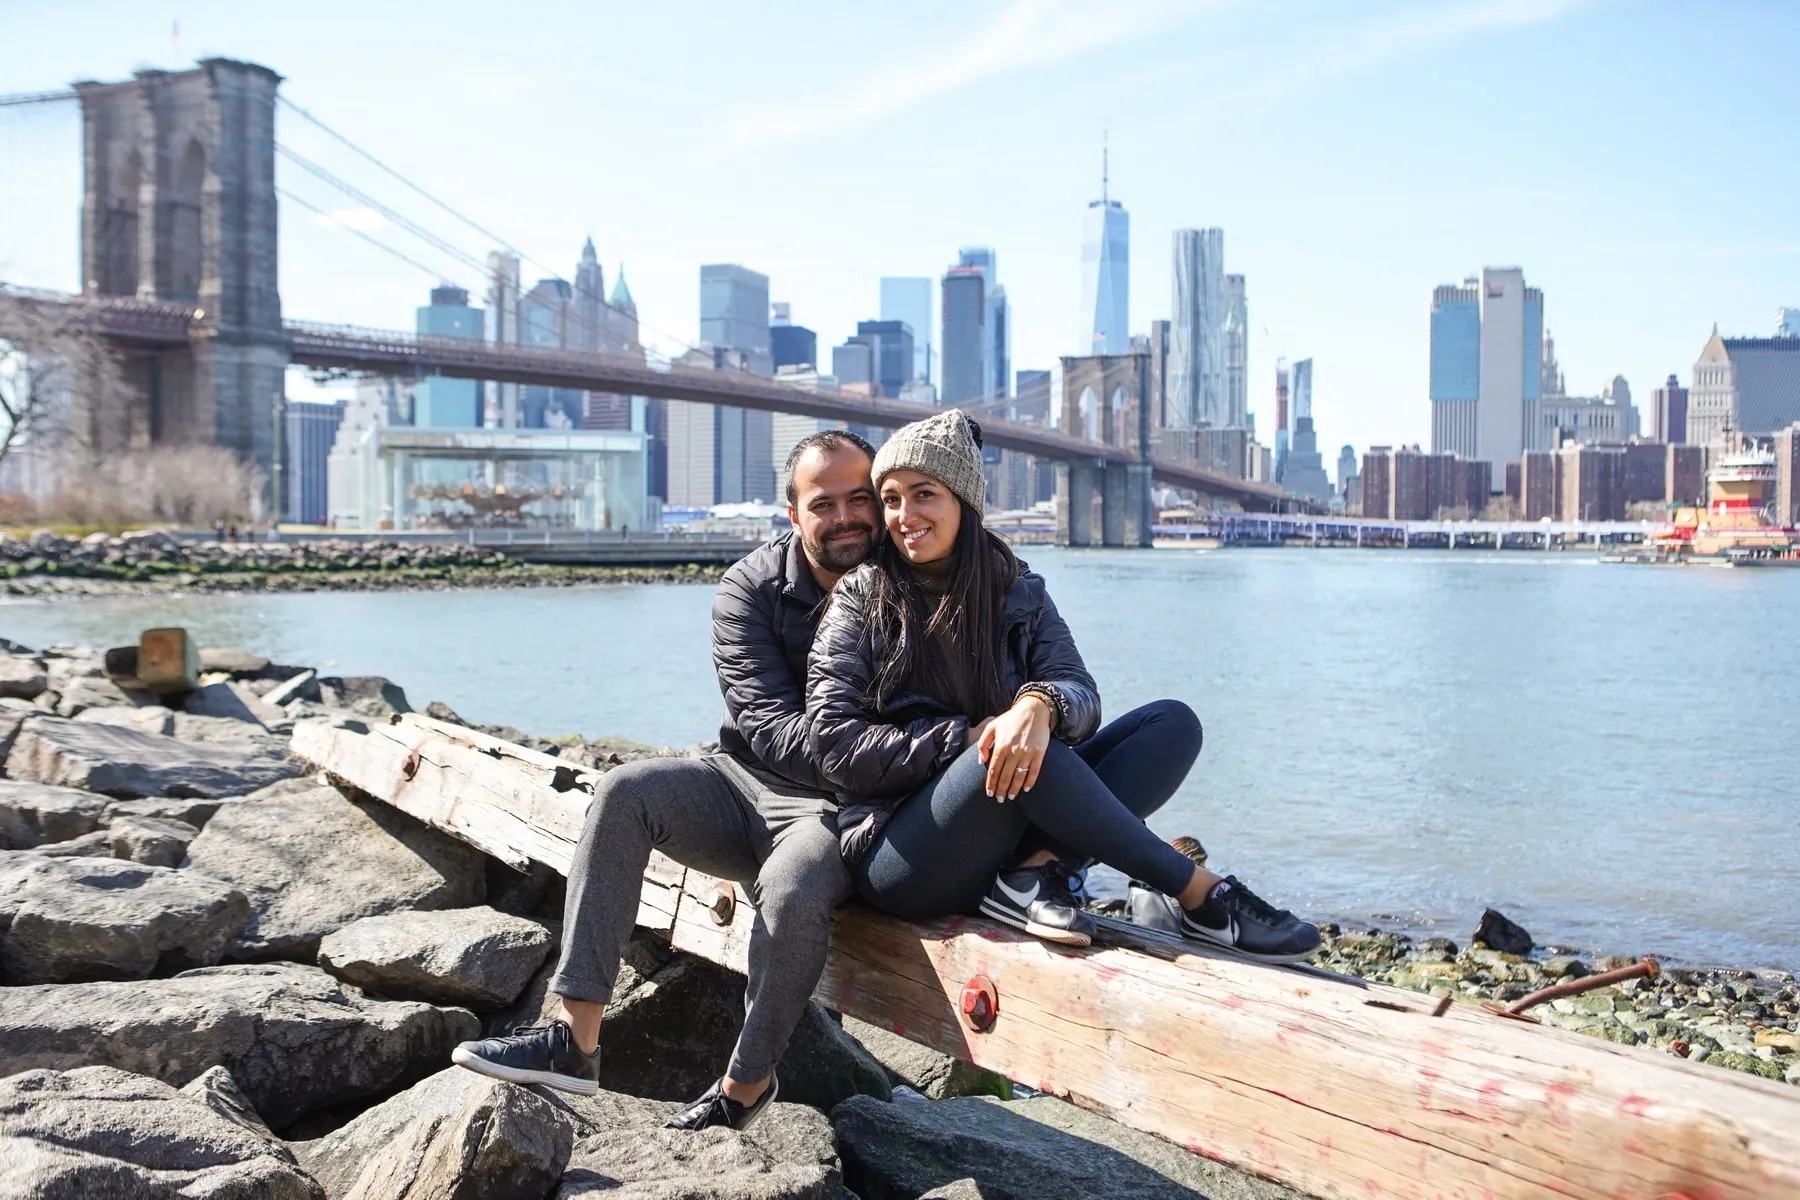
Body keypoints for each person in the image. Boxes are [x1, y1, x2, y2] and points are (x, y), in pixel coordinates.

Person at [451, 430, 882, 1132]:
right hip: (741, 780)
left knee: (796, 887)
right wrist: (886, 750)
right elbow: (769, 730)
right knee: (625, 792)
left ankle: (743, 1089)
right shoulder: (749, 588)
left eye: (859, 498)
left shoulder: (911, 579)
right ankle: (573, 1037)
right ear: (792, 511)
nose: (844, 518)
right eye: (822, 503)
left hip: (833, 812)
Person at [805, 410, 1320, 961]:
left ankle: (1030, 875)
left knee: (1171, 723)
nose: (904, 515)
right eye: (890, 498)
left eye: (923, 493)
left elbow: (1079, 693)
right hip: (901, 856)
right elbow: (832, 743)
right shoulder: (862, 597)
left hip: (1005, 832)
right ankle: (1201, 894)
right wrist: (967, 736)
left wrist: (1040, 703)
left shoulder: (1015, 588)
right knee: (1012, 743)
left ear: (963, 500)